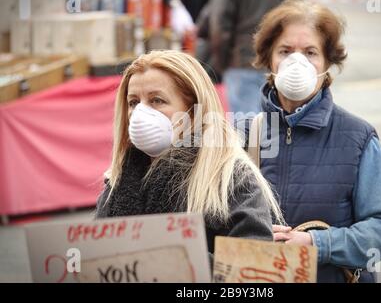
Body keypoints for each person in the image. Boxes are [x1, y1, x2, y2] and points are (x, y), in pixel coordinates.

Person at [241, 0, 381, 282]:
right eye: (285, 51)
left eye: (310, 52)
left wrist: (320, 245)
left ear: (327, 62)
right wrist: (252, 236)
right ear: (268, 58)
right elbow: (213, 222)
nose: (297, 62)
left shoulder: (358, 138)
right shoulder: (241, 136)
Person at [95, 50, 284, 257]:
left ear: (193, 112)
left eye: (157, 100)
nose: (141, 113)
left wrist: (176, 261)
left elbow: (253, 270)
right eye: (133, 102)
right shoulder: (118, 181)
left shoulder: (230, 178)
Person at [207, 0, 303, 115]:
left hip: (242, 62)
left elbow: (219, 23)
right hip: (281, 62)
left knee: (246, 127)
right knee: (276, 125)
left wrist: (222, 63)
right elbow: (300, 15)